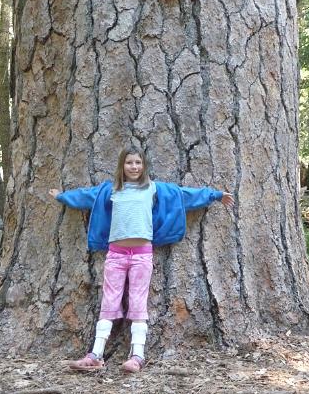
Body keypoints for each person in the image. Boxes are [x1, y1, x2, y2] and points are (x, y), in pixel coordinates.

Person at [49, 147, 233, 373]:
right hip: (115, 255)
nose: (134, 167)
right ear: (122, 166)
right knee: (109, 302)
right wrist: (62, 196)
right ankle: (95, 355)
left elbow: (184, 195)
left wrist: (214, 195)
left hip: (142, 255)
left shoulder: (153, 189)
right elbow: (85, 196)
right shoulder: (111, 190)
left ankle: (137, 355)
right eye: (129, 163)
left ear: (144, 166)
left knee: (138, 302)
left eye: (138, 163)